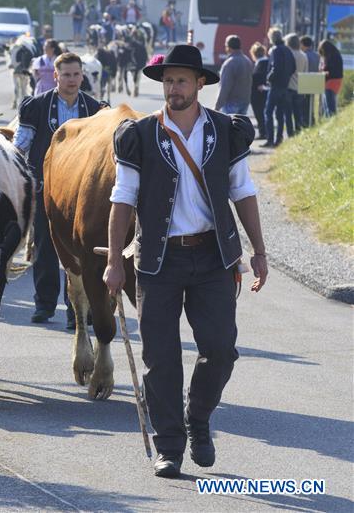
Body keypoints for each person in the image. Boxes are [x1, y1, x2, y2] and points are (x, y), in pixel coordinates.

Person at [104, 44, 268, 479]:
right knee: (161, 357)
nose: (173, 88)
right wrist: (115, 262)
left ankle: (198, 418)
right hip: (158, 260)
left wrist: (260, 250)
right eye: (167, 81)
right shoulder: (137, 135)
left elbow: (243, 191)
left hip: (214, 257)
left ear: (200, 84)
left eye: (181, 80)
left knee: (220, 350)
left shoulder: (226, 131)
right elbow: (122, 197)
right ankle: (170, 446)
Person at [16, 52, 105, 328]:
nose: (72, 80)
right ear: (55, 77)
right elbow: (22, 143)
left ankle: (77, 309)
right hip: (48, 189)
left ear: (83, 76)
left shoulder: (95, 109)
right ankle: (44, 304)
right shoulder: (38, 106)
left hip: (83, 193)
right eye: (66, 74)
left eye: (76, 74)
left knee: (83, 251)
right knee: (45, 247)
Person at [263, 28, 295, 147]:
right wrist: (286, 77)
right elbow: (293, 67)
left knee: (268, 112)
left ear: (272, 38)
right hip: (285, 86)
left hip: (275, 86)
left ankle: (270, 139)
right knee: (280, 113)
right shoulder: (287, 50)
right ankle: (279, 139)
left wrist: (269, 78)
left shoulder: (275, 50)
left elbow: (275, 68)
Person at [215, 35, 253, 115]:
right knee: (239, 127)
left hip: (231, 103)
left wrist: (217, 107)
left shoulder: (230, 63)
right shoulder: (247, 61)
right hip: (244, 102)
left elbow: (225, 87)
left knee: (228, 127)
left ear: (228, 47)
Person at [285, 33, 307, 134]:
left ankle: (290, 133)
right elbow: (305, 72)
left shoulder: (288, 54)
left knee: (288, 113)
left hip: (289, 87)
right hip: (300, 87)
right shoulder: (303, 55)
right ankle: (298, 132)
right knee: (298, 113)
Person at [318, 39, 344, 116]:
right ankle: (330, 121)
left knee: (329, 107)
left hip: (330, 82)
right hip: (337, 81)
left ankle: (330, 121)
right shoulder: (336, 54)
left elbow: (330, 71)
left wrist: (323, 71)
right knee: (329, 104)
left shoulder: (331, 57)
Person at [249, 42, 269, 139]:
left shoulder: (260, 64)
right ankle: (265, 132)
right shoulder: (267, 62)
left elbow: (256, 78)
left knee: (259, 114)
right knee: (265, 113)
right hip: (265, 91)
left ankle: (263, 132)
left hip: (258, 94)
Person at [299, 36, 320, 126]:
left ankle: (306, 121)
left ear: (303, 44)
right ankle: (312, 120)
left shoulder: (304, 55)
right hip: (315, 81)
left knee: (304, 104)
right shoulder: (317, 55)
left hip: (304, 81)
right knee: (311, 103)